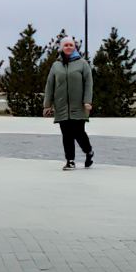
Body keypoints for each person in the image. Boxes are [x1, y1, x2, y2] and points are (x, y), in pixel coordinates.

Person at [44, 36, 94, 171]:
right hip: (61, 106)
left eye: (71, 45)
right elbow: (50, 85)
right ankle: (70, 160)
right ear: (61, 47)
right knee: (66, 134)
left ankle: (88, 151)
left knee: (79, 132)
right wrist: (47, 105)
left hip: (79, 105)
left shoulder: (83, 64)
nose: (68, 47)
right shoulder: (56, 65)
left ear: (75, 47)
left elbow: (88, 83)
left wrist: (87, 101)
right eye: (66, 45)